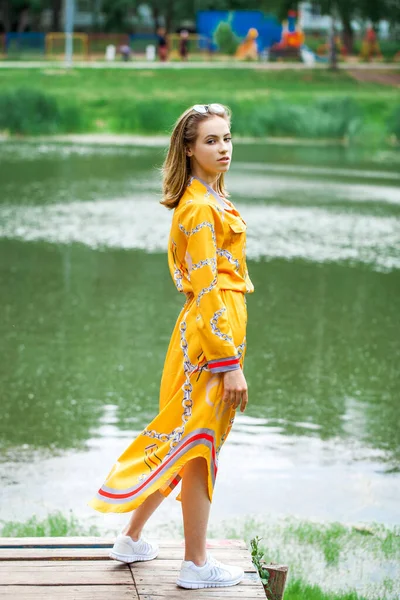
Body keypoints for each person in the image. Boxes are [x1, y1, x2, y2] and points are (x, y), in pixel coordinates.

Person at [88, 103, 254, 590]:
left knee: (186, 441)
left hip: (211, 336)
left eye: (226, 138)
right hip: (208, 344)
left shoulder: (209, 197)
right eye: (210, 141)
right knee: (199, 449)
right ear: (188, 148)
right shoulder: (200, 208)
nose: (222, 148)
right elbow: (205, 291)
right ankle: (197, 566)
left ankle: (132, 537)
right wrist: (229, 365)